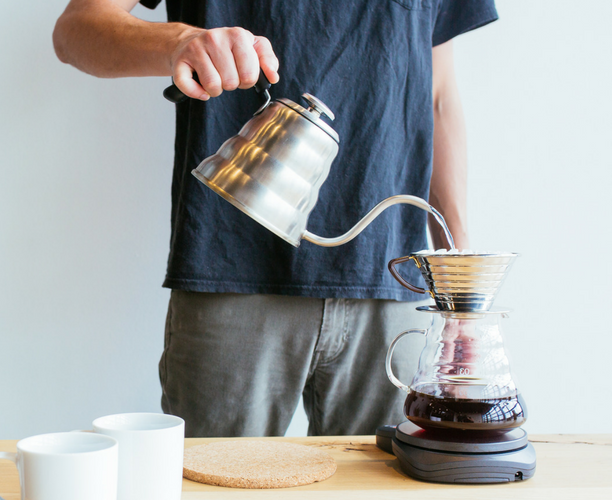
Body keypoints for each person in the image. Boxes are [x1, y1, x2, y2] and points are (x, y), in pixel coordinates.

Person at [53, 1, 498, 437]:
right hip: (231, 277)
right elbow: (77, 29)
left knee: (380, 487)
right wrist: (180, 43)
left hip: (392, 285)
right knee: (220, 488)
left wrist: (459, 285)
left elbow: (436, 97)